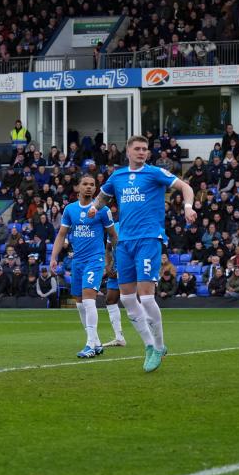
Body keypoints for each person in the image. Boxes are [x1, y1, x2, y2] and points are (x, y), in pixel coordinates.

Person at [86, 135, 197, 372]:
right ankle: (149, 345)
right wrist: (95, 207)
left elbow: (185, 187)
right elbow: (104, 196)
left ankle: (158, 345)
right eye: (137, 149)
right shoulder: (118, 176)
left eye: (145, 149)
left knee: (146, 297)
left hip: (149, 238)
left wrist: (188, 207)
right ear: (127, 152)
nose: (141, 152)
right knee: (127, 298)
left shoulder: (154, 173)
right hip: (124, 241)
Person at [51, 174, 118, 358]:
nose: (89, 187)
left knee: (89, 300)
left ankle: (89, 345)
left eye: (92, 184)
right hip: (77, 261)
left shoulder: (102, 210)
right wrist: (54, 256)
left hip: (94, 260)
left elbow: (113, 236)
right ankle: (96, 342)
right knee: (80, 304)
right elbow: (61, 235)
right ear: (78, 187)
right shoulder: (70, 210)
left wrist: (113, 259)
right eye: (85, 184)